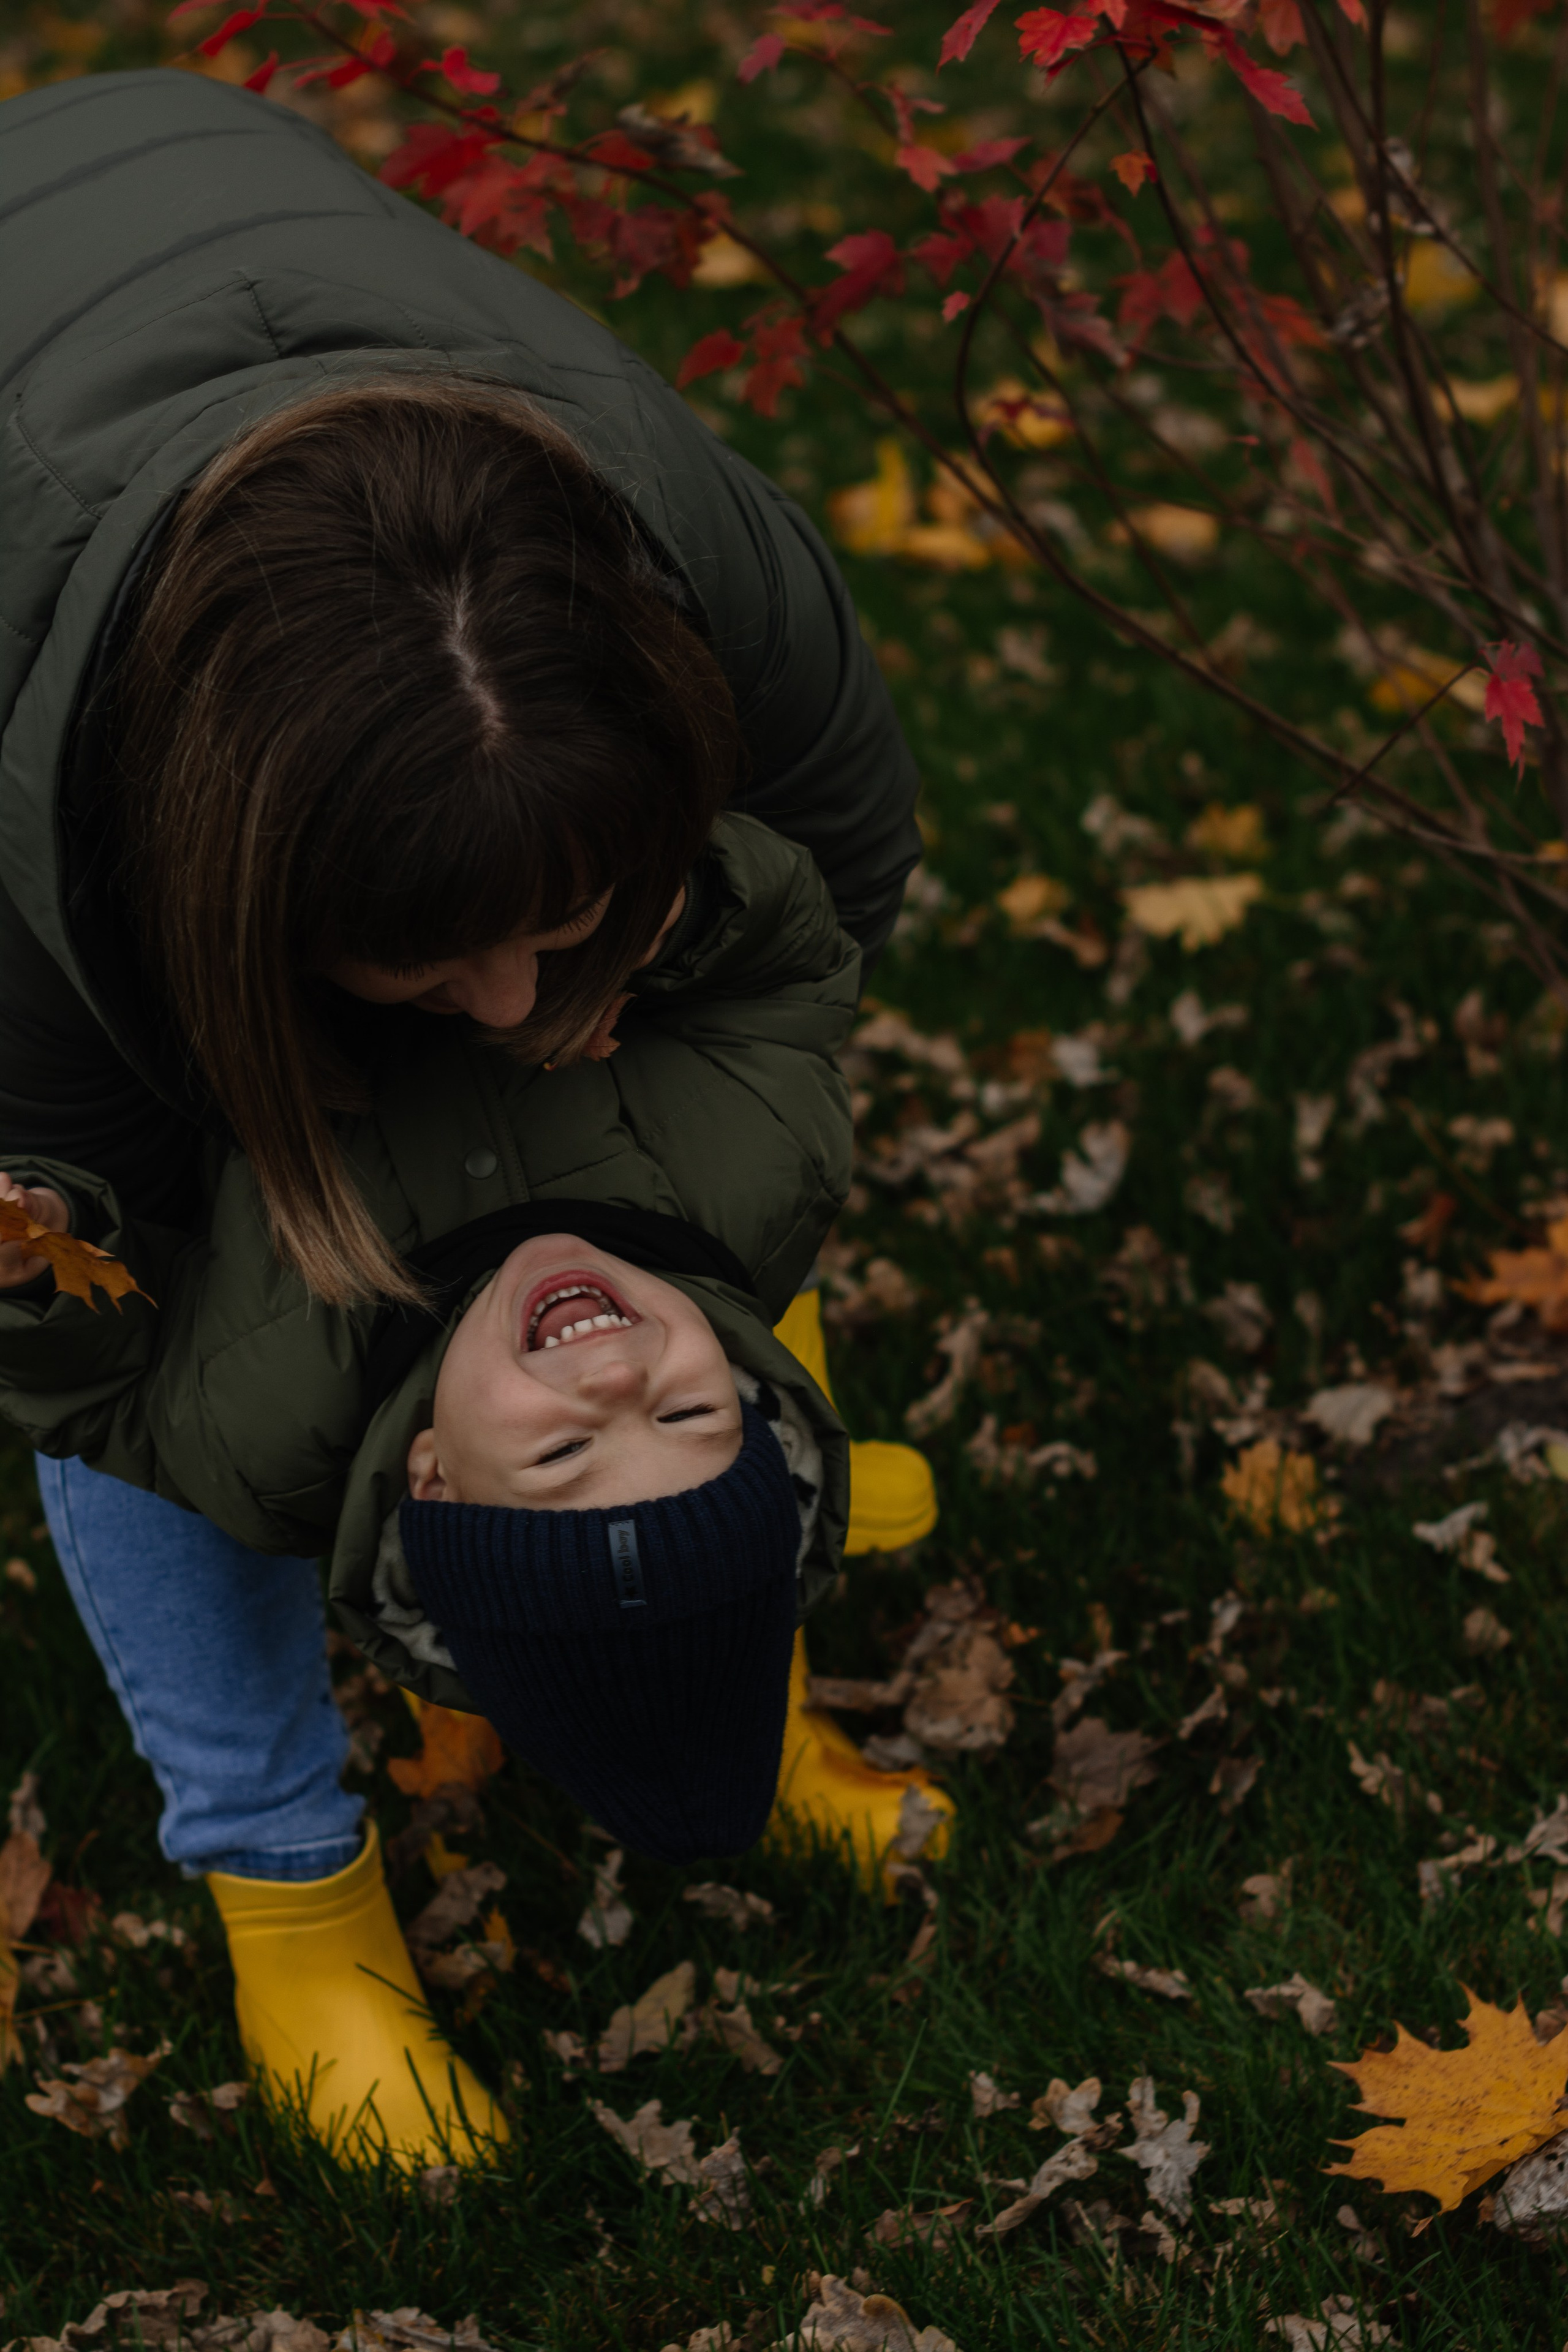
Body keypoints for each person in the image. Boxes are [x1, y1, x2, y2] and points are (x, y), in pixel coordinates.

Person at [0, 65, 938, 2158]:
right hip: (34, 452)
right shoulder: (41, 910)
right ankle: (283, 1881)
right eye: (437, 971)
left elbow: (838, 889)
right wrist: (78, 1285)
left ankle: (745, 1657)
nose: (523, 1012)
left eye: (572, 923)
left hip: (246, 214)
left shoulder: (695, 566)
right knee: (152, 1435)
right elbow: (73, 1366)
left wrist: (657, 955)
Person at [0, 813, 951, 2165]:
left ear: (431, 1479)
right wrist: (656, 921)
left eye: (569, 1453)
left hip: (194, 1035)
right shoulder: (748, 1175)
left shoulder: (265, 1409)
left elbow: (96, 1397)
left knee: (164, 1479)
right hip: (492, 850)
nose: (616, 1388)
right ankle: (773, 1591)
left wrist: (49, 1273)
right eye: (677, 1411)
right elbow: (795, 960)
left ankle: (284, 1890)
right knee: (736, 1282)